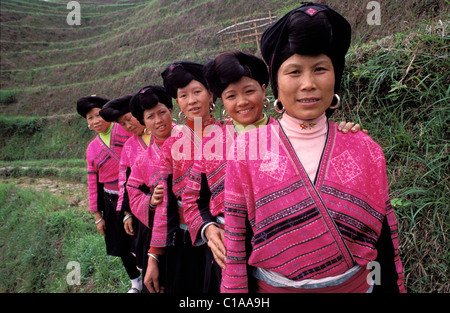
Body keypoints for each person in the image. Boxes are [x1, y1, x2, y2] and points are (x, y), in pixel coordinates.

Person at [221, 2, 405, 293]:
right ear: (276, 84)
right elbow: (236, 242)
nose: (308, 84)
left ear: (335, 77)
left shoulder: (365, 148)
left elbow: (383, 241)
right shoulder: (247, 150)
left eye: (320, 69)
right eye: (294, 72)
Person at [183, 50, 366, 293]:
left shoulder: (291, 132)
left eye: (249, 91)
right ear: (222, 103)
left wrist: (345, 135)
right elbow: (193, 199)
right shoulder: (211, 144)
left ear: (263, 90)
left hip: (284, 255)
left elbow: (323, 145)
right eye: (231, 96)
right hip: (228, 254)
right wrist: (208, 228)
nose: (242, 102)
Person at [145, 61, 222, 293]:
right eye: (183, 95)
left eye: (197, 92)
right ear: (177, 102)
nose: (192, 100)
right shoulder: (170, 147)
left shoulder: (231, 134)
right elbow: (164, 204)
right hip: (184, 238)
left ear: (211, 94)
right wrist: (155, 254)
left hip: (223, 236)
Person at [76, 95, 141, 293]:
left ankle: (151, 276)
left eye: (98, 114)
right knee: (121, 244)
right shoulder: (91, 149)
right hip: (111, 201)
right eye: (90, 118)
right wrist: (97, 216)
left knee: (140, 239)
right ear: (87, 123)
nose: (96, 120)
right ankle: (135, 282)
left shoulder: (124, 129)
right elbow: (92, 183)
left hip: (135, 193)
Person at [126, 85, 175, 294]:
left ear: (171, 111)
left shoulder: (191, 140)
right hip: (161, 235)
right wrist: (151, 201)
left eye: (162, 112)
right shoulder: (142, 160)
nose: (158, 120)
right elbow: (133, 192)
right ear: (144, 122)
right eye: (150, 116)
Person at [99, 94, 150, 293]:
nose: (128, 126)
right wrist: (127, 213)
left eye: (129, 119)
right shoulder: (130, 146)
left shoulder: (163, 133)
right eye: (122, 123)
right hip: (142, 212)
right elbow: (125, 181)